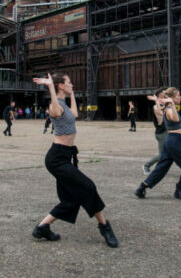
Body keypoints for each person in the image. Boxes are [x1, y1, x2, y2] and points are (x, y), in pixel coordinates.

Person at [31, 73, 118, 248]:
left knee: (71, 200)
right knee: (88, 187)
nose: (72, 84)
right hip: (57, 158)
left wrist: (71, 96)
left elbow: (75, 114)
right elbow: (55, 111)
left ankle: (42, 227)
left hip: (66, 156)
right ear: (61, 86)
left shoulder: (64, 103)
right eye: (69, 82)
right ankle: (104, 226)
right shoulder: (55, 105)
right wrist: (50, 88)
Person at [135, 88, 181, 200]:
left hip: (172, 141)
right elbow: (175, 119)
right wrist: (171, 104)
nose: (180, 97)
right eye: (178, 95)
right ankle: (179, 189)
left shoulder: (169, 107)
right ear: (172, 97)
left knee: (161, 168)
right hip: (174, 141)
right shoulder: (168, 109)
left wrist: (167, 102)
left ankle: (142, 187)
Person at [142, 88, 168, 174]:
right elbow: (160, 113)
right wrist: (156, 100)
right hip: (161, 133)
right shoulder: (155, 106)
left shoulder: (164, 104)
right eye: (165, 92)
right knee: (162, 155)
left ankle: (160, 169)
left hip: (167, 131)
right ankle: (146, 166)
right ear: (160, 94)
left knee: (171, 152)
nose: (166, 93)